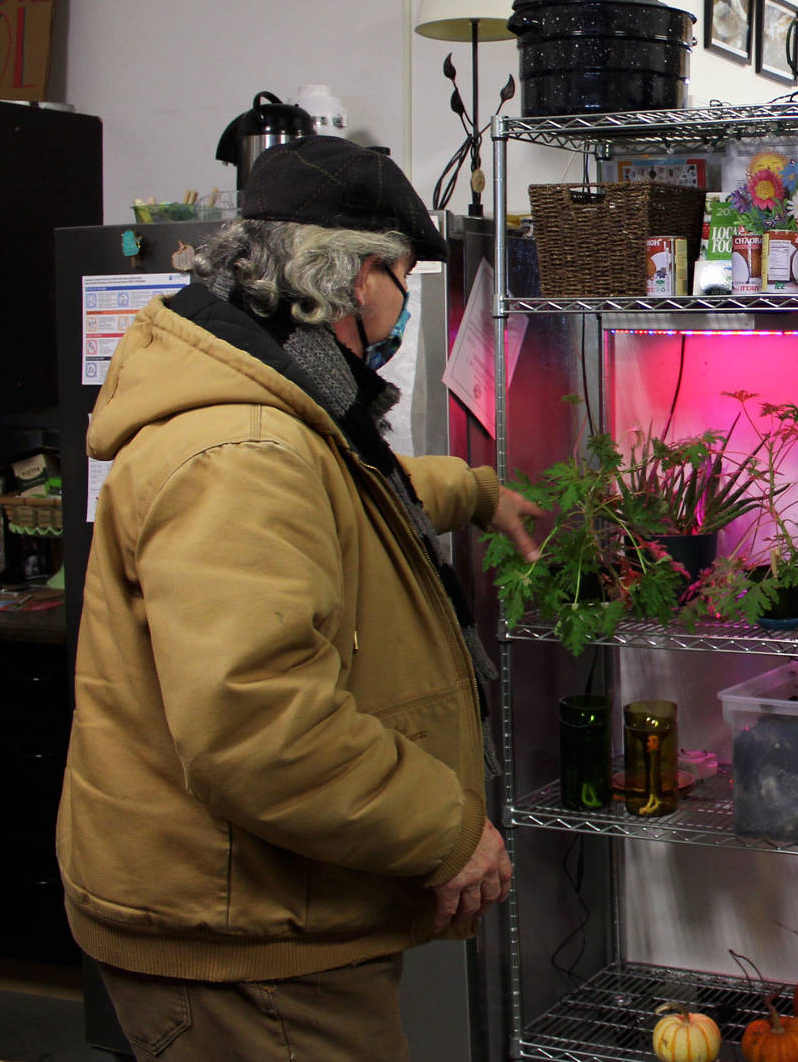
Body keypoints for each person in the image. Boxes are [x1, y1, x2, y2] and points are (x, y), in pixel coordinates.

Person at [57, 136, 542, 1061]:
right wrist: (447, 833)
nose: (401, 306)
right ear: (357, 278)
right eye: (400, 277)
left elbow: (359, 491)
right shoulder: (242, 451)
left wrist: (478, 492)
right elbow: (259, 722)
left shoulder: (277, 408)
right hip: (241, 955)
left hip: (266, 923)